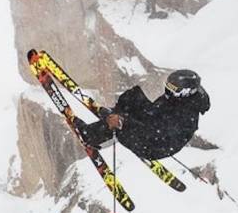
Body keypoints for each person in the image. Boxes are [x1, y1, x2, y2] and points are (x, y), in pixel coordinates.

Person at [79, 69, 210, 161]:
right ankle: (114, 117)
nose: (168, 90)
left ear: (185, 92)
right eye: (168, 85)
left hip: (155, 145)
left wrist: (124, 122)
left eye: (173, 89)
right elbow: (157, 113)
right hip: (156, 122)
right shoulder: (178, 98)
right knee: (133, 95)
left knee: (122, 127)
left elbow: (154, 133)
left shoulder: (185, 116)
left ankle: (90, 136)